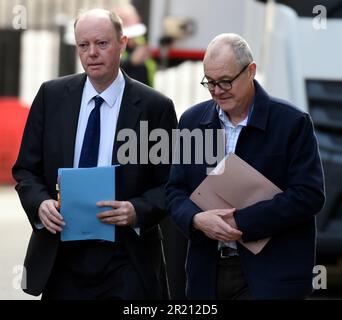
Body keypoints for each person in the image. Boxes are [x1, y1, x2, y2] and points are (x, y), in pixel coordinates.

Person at [12, 8, 177, 300]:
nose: (92, 53)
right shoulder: (51, 97)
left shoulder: (155, 108)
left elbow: (171, 184)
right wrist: (40, 204)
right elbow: (26, 170)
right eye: (83, 45)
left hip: (126, 258)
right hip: (61, 255)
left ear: (123, 44)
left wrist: (136, 210)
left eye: (102, 44)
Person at [165, 33, 325, 299]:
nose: (217, 90)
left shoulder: (292, 122)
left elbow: (309, 195)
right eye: (210, 82)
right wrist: (196, 219)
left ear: (251, 71)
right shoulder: (192, 121)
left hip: (272, 275)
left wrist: (240, 221)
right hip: (207, 272)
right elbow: (174, 191)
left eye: (226, 81)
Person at [114, 3, 156, 87]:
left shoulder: (141, 41)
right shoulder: (113, 43)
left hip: (147, 92)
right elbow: (110, 65)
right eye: (124, 20)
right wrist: (131, 61)